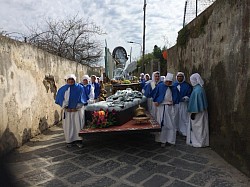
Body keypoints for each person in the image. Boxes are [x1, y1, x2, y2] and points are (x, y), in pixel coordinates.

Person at [55, 74, 88, 148]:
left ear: (74, 80)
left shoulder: (80, 88)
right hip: (67, 111)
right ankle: (69, 141)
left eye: (72, 79)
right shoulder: (63, 89)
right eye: (69, 79)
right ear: (66, 80)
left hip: (77, 111)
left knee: (78, 125)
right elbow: (60, 99)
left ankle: (79, 140)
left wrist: (76, 107)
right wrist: (66, 107)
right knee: (68, 126)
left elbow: (83, 99)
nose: (70, 81)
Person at [153, 73, 179, 147]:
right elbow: (156, 94)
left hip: (169, 108)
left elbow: (176, 97)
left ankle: (170, 140)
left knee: (170, 124)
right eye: (167, 81)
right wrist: (156, 101)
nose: (168, 83)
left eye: (170, 82)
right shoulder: (160, 86)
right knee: (161, 123)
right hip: (161, 107)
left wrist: (173, 102)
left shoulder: (174, 88)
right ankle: (160, 139)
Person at [186, 73, 209, 147]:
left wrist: (193, 113)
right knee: (201, 127)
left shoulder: (197, 91)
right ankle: (201, 141)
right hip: (201, 111)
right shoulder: (199, 88)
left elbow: (196, 104)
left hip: (198, 113)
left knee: (199, 128)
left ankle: (199, 142)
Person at [173, 72, 192, 137]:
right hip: (176, 103)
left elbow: (190, 94)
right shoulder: (173, 85)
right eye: (178, 76)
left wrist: (186, 98)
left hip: (183, 103)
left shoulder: (187, 85)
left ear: (183, 77)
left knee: (184, 117)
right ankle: (176, 130)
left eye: (181, 76)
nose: (179, 78)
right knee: (175, 117)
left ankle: (185, 132)